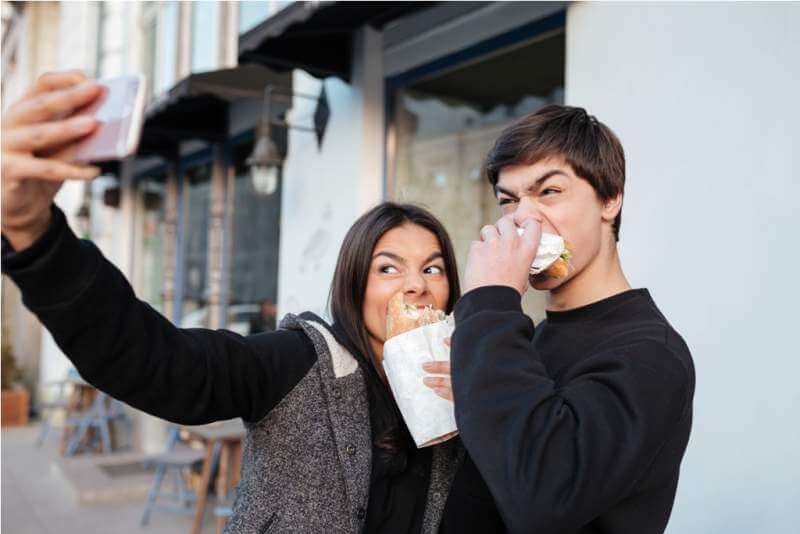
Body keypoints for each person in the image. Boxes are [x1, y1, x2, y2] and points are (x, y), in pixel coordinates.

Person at [1, 71, 506, 533]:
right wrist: (37, 239)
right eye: (388, 268)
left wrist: (485, 411)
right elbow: (159, 364)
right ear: (354, 284)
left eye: (433, 268)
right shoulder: (297, 362)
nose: (415, 284)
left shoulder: (465, 386)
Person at [420, 105, 695, 534]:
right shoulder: (529, 341)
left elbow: (543, 497)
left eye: (549, 192)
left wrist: (491, 299)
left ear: (610, 199)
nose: (523, 219)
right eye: (508, 201)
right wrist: (477, 390)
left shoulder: (650, 355)